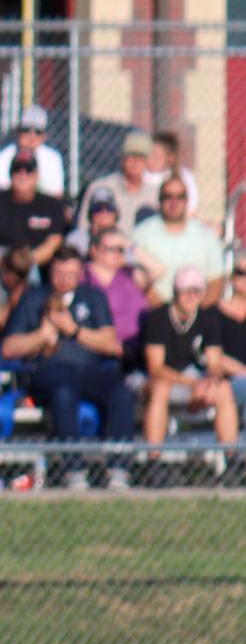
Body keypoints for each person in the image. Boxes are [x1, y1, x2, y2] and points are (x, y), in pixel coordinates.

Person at [1, 245, 134, 487]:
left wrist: (73, 330)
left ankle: (118, 467)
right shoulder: (33, 298)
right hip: (49, 372)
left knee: (121, 393)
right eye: (59, 274)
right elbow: (9, 347)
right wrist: (42, 335)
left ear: (80, 273)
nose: (64, 280)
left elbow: (109, 343)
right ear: (50, 272)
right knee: (63, 390)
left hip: (89, 369)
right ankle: (74, 469)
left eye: (71, 275)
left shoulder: (93, 297)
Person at [141, 267, 239, 450]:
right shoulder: (159, 317)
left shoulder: (208, 318)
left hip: (192, 380)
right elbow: (156, 368)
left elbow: (214, 362)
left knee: (223, 388)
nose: (191, 297)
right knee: (161, 388)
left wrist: (210, 381)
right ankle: (153, 458)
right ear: (176, 292)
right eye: (186, 291)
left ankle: (229, 456)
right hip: (160, 380)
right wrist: (192, 383)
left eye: (196, 292)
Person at [127, 175, 223, 306]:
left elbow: (215, 282)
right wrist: (166, 315)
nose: (174, 202)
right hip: (154, 314)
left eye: (180, 197)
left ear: (187, 200)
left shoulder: (206, 237)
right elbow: (135, 280)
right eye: (168, 197)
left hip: (199, 317)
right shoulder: (141, 234)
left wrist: (198, 318)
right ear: (160, 199)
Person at [0, 154, 67, 267]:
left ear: (36, 175)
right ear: (10, 174)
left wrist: (25, 261)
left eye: (28, 170)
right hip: (2, 263)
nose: (22, 175)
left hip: (36, 263)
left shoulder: (52, 205)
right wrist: (11, 263)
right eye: (17, 170)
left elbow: (53, 242)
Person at [81, 227, 150, 362]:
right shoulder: (82, 277)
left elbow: (158, 270)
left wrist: (129, 245)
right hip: (101, 353)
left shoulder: (128, 273)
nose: (117, 253)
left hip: (137, 350)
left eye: (120, 249)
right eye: (111, 249)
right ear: (94, 250)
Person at [76, 131, 159, 240]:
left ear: (147, 161)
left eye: (140, 158)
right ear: (122, 159)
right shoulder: (100, 188)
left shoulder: (155, 193)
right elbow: (83, 227)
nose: (135, 162)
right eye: (130, 156)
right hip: (106, 250)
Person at [0, 104, 66, 197]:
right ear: (18, 131)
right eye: (26, 130)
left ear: (44, 136)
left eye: (38, 131)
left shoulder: (53, 159)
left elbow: (56, 196)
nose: (31, 136)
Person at [203, 254, 246, 428]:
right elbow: (212, 356)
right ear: (232, 277)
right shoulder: (214, 313)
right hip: (224, 380)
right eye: (241, 272)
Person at [147, 129, 199, 216]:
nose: (151, 160)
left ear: (170, 158)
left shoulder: (184, 176)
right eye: (149, 154)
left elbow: (192, 208)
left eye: (156, 156)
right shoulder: (140, 176)